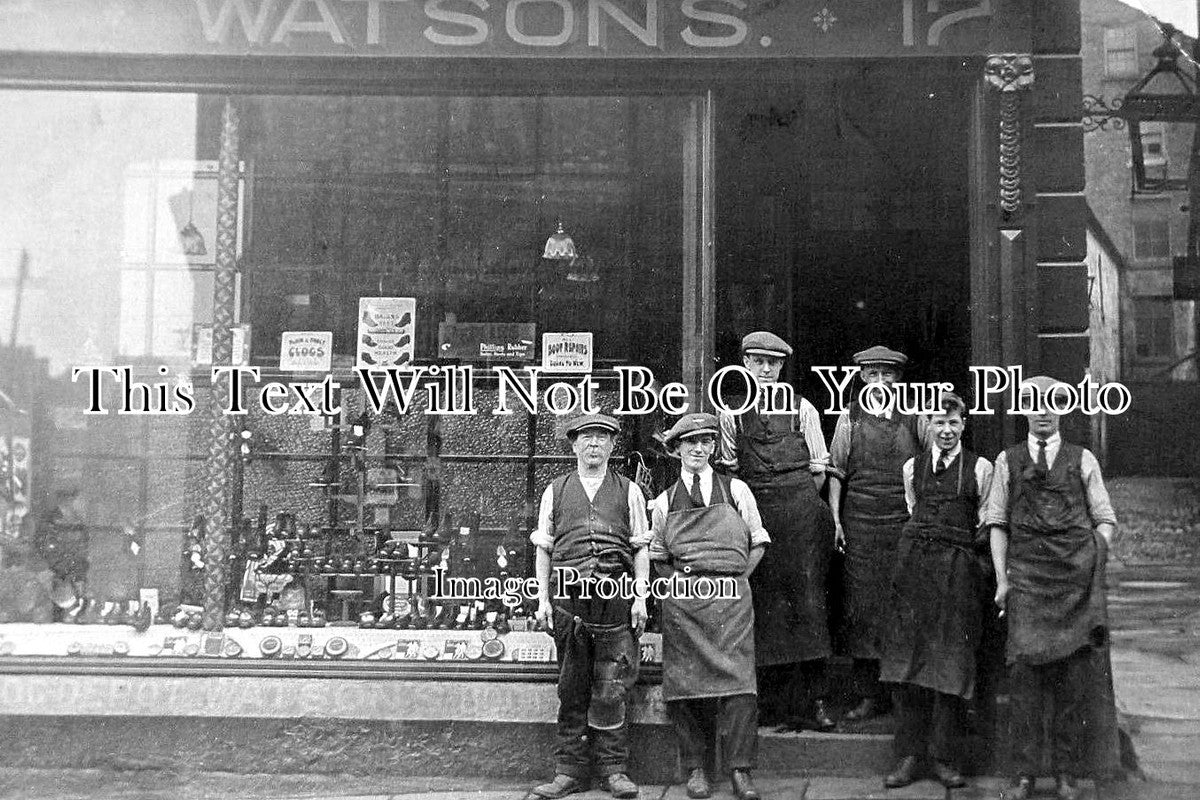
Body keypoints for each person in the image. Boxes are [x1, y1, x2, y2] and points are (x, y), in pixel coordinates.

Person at [985, 376, 1118, 800]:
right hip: (1027, 584)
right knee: (1025, 683)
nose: (1042, 410)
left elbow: (1106, 520)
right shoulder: (1007, 461)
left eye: (1052, 402)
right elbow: (997, 523)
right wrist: (1004, 581)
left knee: (1071, 685)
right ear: (1023, 408)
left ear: (1063, 408)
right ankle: (1024, 774)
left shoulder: (1084, 460)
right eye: (1033, 402)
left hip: (1074, 589)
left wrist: (1088, 562)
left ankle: (1065, 773)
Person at [715, 332, 837, 733]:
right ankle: (776, 703)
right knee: (767, 608)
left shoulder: (803, 410)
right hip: (760, 519)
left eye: (773, 363)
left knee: (809, 602)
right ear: (745, 364)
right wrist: (756, 516)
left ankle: (816, 701)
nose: (765, 370)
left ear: (782, 366)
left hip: (802, 515)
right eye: (757, 362)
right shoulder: (730, 413)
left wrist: (797, 502)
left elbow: (819, 467)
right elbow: (730, 469)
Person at [529, 413, 651, 800]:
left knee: (612, 688)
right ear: (574, 445)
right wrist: (543, 598)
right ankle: (569, 772)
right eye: (587, 437)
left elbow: (640, 548)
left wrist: (640, 597)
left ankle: (614, 771)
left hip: (615, 601)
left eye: (602, 438)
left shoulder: (629, 490)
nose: (594, 444)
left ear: (613, 446)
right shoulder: (556, 490)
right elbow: (544, 548)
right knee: (572, 688)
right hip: (570, 603)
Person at [651, 413, 770, 800]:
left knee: (739, 684)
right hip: (685, 605)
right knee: (687, 687)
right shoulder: (663, 502)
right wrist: (678, 586)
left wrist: (737, 580)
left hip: (731, 601)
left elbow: (758, 542)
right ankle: (697, 769)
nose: (698, 449)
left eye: (705, 442)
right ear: (676, 450)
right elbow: (657, 554)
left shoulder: (736, 490)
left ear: (714, 448)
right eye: (690, 443)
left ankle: (740, 770)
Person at [879, 392, 992, 789]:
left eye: (953, 423)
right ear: (927, 426)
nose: (946, 430)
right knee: (908, 662)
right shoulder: (912, 468)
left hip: (958, 572)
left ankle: (944, 758)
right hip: (915, 572)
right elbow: (913, 509)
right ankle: (909, 758)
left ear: (964, 425)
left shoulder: (981, 469)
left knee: (950, 663)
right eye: (938, 423)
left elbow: (984, 523)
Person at [828, 345, 925, 722]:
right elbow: (836, 472)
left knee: (899, 607)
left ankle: (899, 694)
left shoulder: (917, 416)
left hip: (902, 521)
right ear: (861, 378)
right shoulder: (848, 418)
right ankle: (868, 694)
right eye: (873, 374)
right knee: (862, 609)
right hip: (860, 523)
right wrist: (836, 519)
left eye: (888, 374)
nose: (880, 381)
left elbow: (931, 467)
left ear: (898, 379)